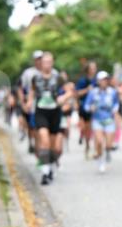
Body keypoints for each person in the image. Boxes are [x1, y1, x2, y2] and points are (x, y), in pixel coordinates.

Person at [27, 52, 68, 185]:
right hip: (41, 112)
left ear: (52, 63)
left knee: (54, 147)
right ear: (41, 63)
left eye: (50, 62)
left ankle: (50, 166)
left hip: (55, 112)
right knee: (44, 140)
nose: (47, 65)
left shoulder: (58, 77)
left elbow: (69, 90)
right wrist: (29, 101)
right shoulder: (35, 77)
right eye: (45, 62)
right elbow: (32, 91)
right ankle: (45, 173)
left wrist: (65, 98)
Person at [84, 70, 120, 174]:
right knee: (99, 141)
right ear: (98, 81)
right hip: (97, 120)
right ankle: (101, 161)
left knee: (108, 144)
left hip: (109, 120)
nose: (104, 82)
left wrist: (115, 109)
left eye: (106, 80)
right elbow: (86, 106)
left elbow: (116, 103)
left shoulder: (112, 92)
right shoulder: (93, 92)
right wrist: (91, 108)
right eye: (102, 80)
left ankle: (107, 151)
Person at [18, 51, 43, 152]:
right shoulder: (28, 73)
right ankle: (31, 142)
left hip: (44, 104)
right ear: (34, 60)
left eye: (41, 58)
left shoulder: (49, 71)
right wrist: (23, 103)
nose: (39, 61)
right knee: (31, 127)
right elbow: (20, 88)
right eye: (37, 59)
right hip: (31, 104)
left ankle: (40, 146)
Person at [75, 61, 98, 159]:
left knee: (91, 128)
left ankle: (90, 147)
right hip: (83, 107)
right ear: (88, 69)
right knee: (84, 128)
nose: (93, 70)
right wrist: (87, 90)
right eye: (92, 68)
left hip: (94, 108)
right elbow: (77, 93)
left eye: (95, 68)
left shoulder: (98, 81)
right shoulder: (82, 80)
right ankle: (86, 142)